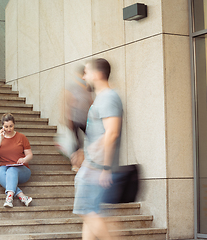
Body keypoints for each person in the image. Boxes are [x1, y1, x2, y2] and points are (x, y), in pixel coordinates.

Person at [73, 58, 123, 240]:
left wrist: (105, 169)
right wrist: (84, 153)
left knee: (86, 210)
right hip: (93, 164)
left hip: (97, 167)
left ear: (97, 74)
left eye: (86, 72)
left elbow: (112, 133)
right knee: (90, 212)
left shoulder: (109, 97)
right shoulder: (102, 98)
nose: (84, 76)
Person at [0, 113, 33, 208]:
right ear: (2, 126)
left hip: (22, 169)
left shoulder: (21, 137)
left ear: (14, 125)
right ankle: (22, 196)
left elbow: (30, 155)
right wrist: (0, 139)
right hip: (4, 167)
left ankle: (9, 197)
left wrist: (24, 159)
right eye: (6, 126)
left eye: (11, 126)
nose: (8, 129)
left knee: (12, 169)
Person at [64, 65, 93, 171]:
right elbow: (68, 102)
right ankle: (75, 164)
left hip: (85, 119)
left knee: (90, 139)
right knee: (77, 141)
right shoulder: (73, 86)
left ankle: (85, 161)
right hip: (75, 118)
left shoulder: (87, 87)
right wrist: (69, 118)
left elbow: (90, 101)